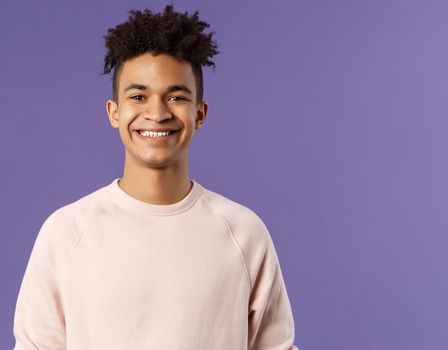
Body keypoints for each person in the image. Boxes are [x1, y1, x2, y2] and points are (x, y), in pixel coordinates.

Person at [12, 5, 298, 350]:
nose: (157, 113)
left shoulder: (243, 232)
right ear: (114, 112)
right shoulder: (66, 232)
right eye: (138, 96)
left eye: (176, 97)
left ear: (200, 113)